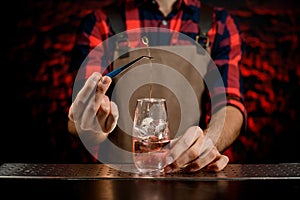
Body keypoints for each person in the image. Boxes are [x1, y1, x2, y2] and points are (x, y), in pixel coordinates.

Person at [68, 0, 246, 173]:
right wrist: (91, 124)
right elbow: (79, 115)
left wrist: (208, 141)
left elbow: (230, 103)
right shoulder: (100, 23)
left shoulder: (219, 23)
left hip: (190, 175)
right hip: (118, 180)